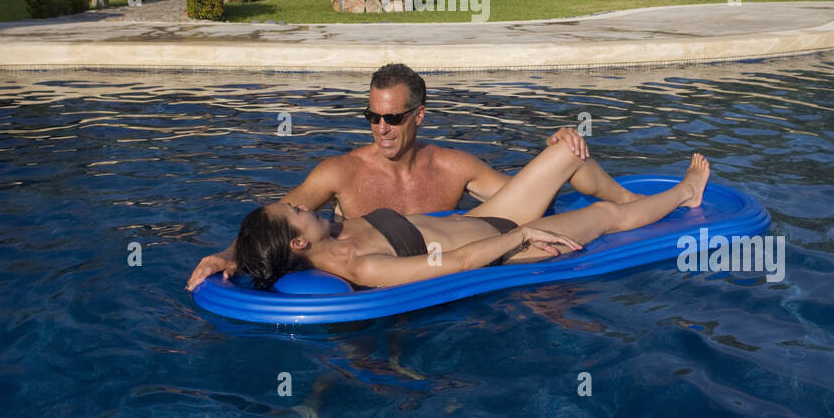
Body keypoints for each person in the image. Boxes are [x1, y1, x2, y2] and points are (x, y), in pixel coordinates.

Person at [186, 63, 656, 290]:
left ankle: (630, 199)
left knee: (565, 151)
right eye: (372, 117)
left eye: (392, 118)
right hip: (407, 294)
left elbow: (518, 202)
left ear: (419, 116)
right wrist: (228, 255)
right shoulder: (340, 173)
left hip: (475, 247)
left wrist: (556, 152)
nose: (380, 128)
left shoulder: (452, 164)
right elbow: (278, 223)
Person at [196, 143, 709, 292]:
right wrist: (523, 234)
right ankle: (687, 192)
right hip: (508, 245)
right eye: (294, 212)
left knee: (566, 151)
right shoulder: (363, 267)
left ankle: (631, 195)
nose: (301, 203)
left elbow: (263, 245)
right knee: (603, 217)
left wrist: (230, 255)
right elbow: (459, 264)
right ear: (299, 244)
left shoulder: (333, 227)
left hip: (492, 216)